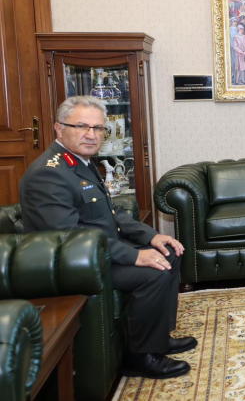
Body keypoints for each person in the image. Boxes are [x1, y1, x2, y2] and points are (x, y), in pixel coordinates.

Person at [19, 96, 195, 379]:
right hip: (73, 263)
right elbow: (71, 238)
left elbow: (112, 213)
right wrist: (135, 256)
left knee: (169, 252)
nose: (91, 135)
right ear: (59, 128)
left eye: (98, 128)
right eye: (81, 126)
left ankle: (158, 338)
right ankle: (140, 357)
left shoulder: (81, 162)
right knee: (154, 272)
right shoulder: (48, 174)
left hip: (97, 251)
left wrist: (151, 236)